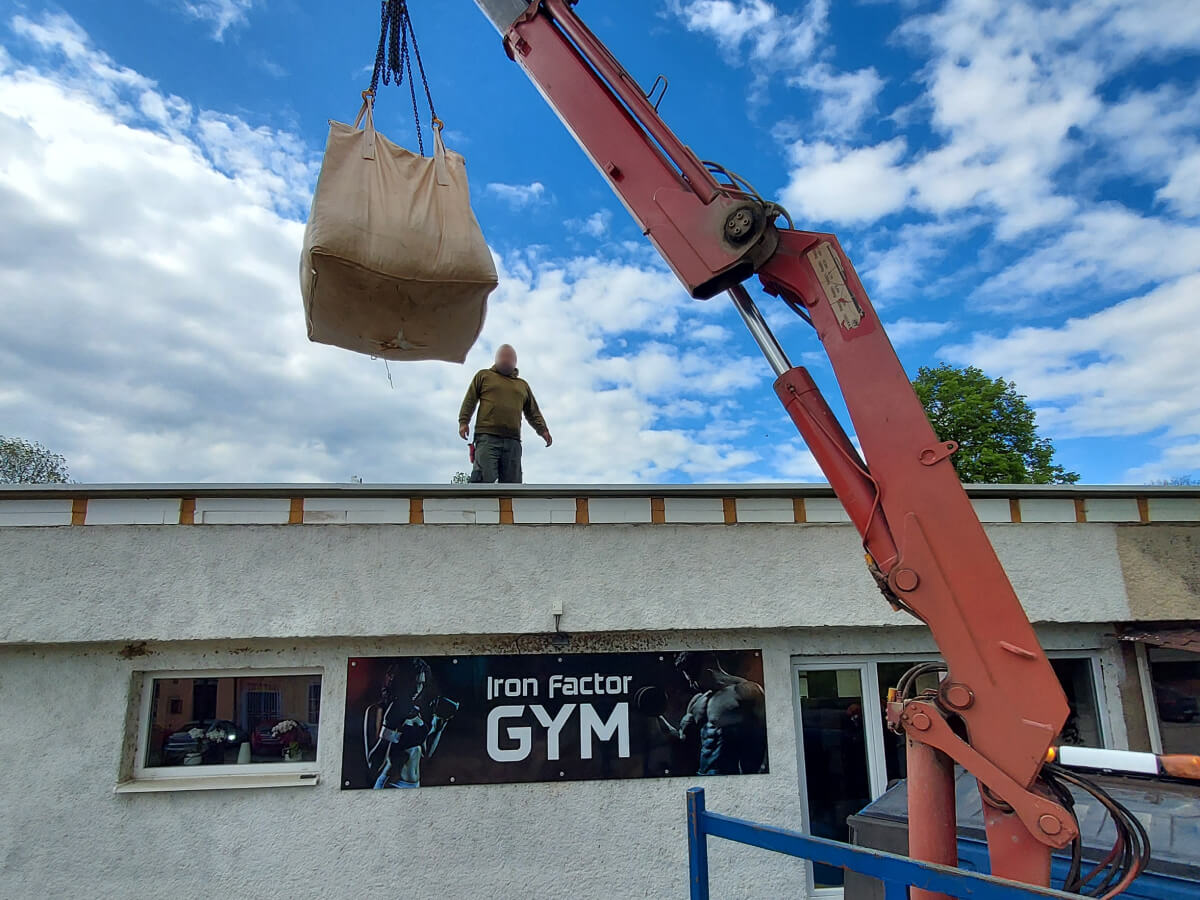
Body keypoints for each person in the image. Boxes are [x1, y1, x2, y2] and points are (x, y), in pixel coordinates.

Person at [658, 651, 768, 776]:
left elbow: (765, 739)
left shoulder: (746, 692)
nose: (691, 685)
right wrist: (657, 715)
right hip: (703, 779)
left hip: (732, 780)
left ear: (707, 671)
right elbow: (682, 741)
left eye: (693, 679)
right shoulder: (696, 702)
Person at [458, 344, 552, 484]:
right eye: (502, 356)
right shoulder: (484, 375)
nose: (505, 359)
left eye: (509, 357)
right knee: (483, 480)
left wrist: (543, 430)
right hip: (487, 437)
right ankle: (479, 506)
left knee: (512, 485)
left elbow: (533, 411)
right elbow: (470, 399)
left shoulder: (522, 385)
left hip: (513, 440)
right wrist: (463, 422)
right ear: (496, 359)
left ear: (515, 362)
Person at [364, 658, 457, 788]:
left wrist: (438, 727)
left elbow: (425, 753)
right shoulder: (380, 710)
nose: (417, 689)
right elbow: (372, 761)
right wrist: (390, 733)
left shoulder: (417, 711)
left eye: (421, 683)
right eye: (413, 683)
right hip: (391, 783)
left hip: (414, 784)